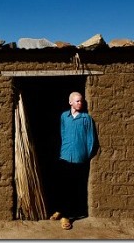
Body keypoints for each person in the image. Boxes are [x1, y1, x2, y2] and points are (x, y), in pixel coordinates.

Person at [49, 92, 97, 230]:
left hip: (79, 158)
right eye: (77, 101)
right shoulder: (64, 116)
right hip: (64, 156)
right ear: (70, 102)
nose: (80, 103)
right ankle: (59, 209)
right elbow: (63, 133)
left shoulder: (86, 118)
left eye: (81, 101)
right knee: (62, 186)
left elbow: (91, 139)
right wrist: (64, 149)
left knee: (73, 188)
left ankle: (66, 216)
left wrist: (85, 154)